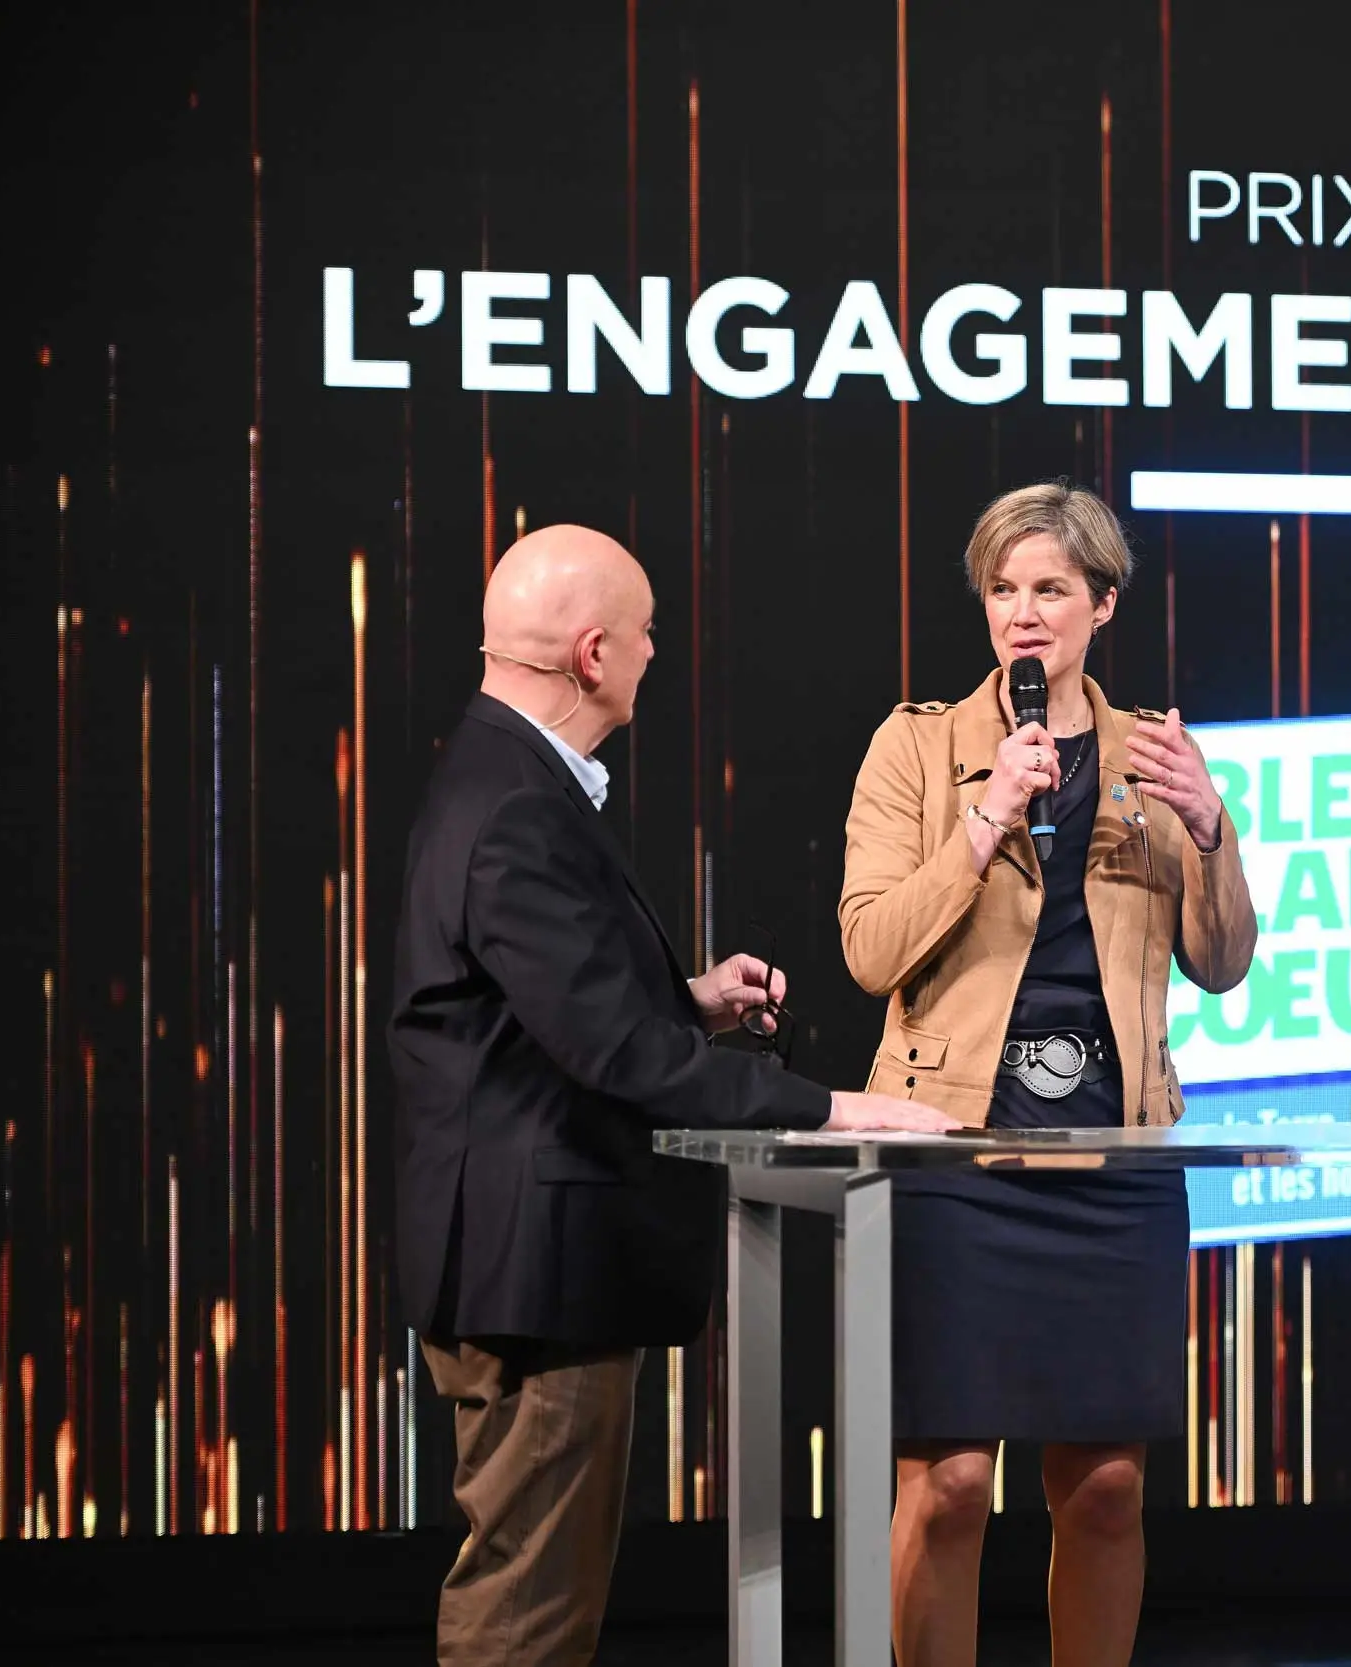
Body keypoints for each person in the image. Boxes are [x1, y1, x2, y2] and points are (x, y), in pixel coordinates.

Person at [390, 524, 952, 1666]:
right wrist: (833, 1108)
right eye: (646, 632)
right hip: (537, 1275)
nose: (657, 653)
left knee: (536, 1590)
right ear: (593, 653)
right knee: (529, 1610)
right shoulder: (516, 805)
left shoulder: (502, 776)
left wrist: (683, 1001)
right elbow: (611, 1054)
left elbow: (531, 1012)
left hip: (527, 1262)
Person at [839, 483, 1256, 1667]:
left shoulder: (1155, 755)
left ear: (1101, 604)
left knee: (1107, 1483)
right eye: (1003, 589)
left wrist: (1211, 828)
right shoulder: (918, 746)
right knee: (951, 1482)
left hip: (1115, 1156)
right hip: (952, 1150)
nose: (1023, 613)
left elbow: (1222, 962)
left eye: (1050, 589)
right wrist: (981, 823)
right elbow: (870, 949)